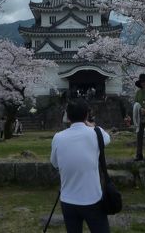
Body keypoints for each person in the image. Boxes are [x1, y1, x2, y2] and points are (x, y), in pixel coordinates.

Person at [51, 99, 111, 233]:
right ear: (86, 115)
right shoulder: (96, 133)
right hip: (93, 198)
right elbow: (107, 138)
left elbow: (55, 163)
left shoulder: (58, 137)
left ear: (67, 116)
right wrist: (89, 124)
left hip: (68, 199)